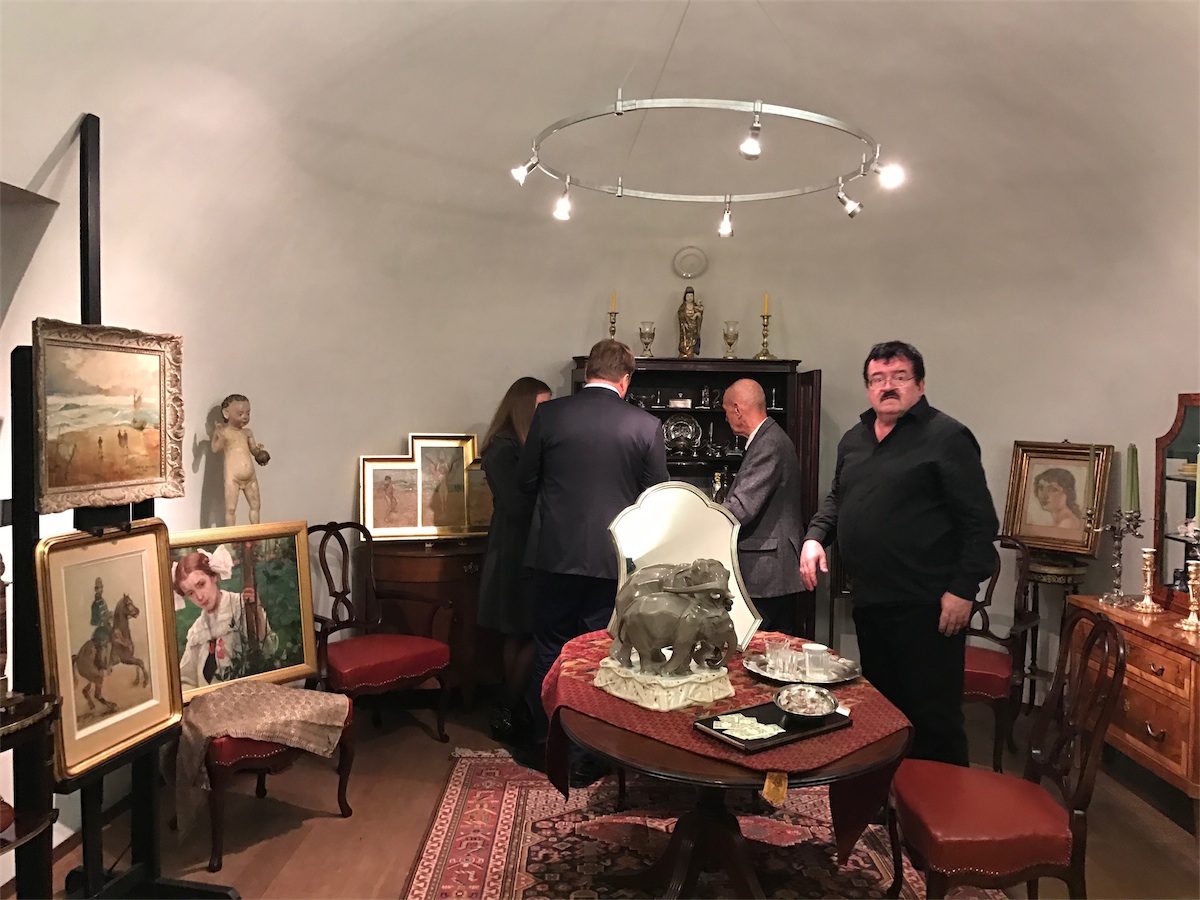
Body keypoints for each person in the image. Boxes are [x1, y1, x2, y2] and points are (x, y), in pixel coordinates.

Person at [800, 341, 997, 766]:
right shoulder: (854, 440)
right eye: (878, 379)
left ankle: (939, 801)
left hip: (929, 604)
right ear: (868, 387)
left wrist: (963, 589)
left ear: (920, 384)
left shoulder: (947, 437)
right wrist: (816, 536)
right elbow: (838, 497)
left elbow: (980, 523)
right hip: (872, 600)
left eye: (899, 377)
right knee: (884, 711)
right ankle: (890, 793)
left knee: (933, 717)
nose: (887, 386)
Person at [517, 339, 669, 782]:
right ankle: (588, 754)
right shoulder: (645, 425)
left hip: (553, 554)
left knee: (550, 647)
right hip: (612, 559)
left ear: (588, 373)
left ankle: (549, 746)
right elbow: (657, 498)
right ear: (626, 379)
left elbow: (525, 480)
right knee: (598, 652)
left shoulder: (550, 415)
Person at [476, 376, 552, 742]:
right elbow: (518, 505)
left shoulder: (521, 446)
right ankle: (506, 707)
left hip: (526, 547)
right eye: (542, 407)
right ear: (523, 407)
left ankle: (513, 706)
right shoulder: (502, 448)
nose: (547, 414)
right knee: (523, 629)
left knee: (526, 630)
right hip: (514, 550)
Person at [719, 379, 810, 636]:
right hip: (768, 569)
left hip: (768, 571)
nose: (725, 418)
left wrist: (703, 519)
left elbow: (742, 507)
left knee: (764, 648)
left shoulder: (769, 443)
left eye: (726, 410)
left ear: (737, 409)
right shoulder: (769, 438)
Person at [173, 548, 277, 689]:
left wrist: (256, 612)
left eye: (201, 584)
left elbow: (268, 651)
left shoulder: (241, 607)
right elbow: (186, 679)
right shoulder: (197, 630)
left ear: (214, 576)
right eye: (191, 593)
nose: (199, 597)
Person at [212, 393, 270, 526]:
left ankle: (256, 532)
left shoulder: (247, 433)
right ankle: (231, 535)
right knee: (231, 509)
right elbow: (215, 448)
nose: (245, 417)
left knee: (256, 505)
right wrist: (221, 438)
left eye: (248, 413)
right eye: (240, 414)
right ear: (226, 413)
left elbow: (253, 450)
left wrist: (260, 453)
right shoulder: (224, 432)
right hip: (233, 477)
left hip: (250, 476)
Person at [1032, 467, 1084, 532]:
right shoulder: (1058, 521)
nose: (1044, 496)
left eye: (1053, 489)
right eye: (1041, 488)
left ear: (1068, 493)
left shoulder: (1066, 524)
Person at [89, 577, 113, 671]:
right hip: (101, 628)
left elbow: (105, 613)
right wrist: (105, 618)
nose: (101, 590)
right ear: (95, 590)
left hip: (106, 626)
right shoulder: (95, 604)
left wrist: (110, 614)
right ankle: (104, 663)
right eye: (99, 588)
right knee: (106, 643)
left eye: (101, 588)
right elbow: (95, 620)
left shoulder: (102, 601)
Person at [677, 286, 703, 357]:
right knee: (685, 342)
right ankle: (684, 352)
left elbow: (700, 315)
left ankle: (691, 353)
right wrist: (684, 322)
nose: (689, 298)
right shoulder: (683, 307)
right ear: (685, 297)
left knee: (692, 342)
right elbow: (680, 314)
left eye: (691, 296)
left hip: (693, 329)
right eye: (688, 296)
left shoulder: (695, 306)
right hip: (685, 329)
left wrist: (698, 315)